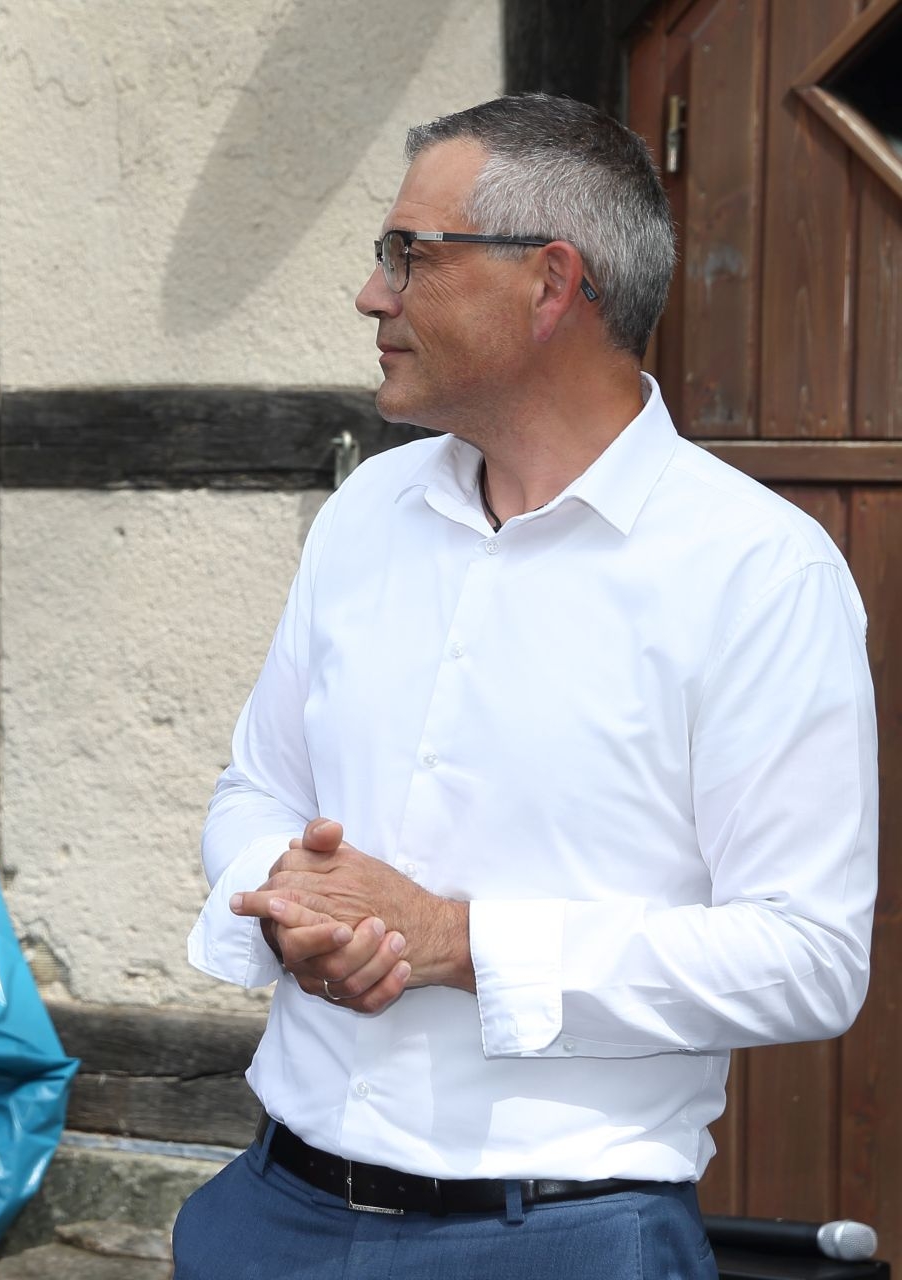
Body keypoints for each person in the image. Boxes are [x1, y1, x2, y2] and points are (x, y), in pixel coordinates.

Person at [172, 94, 877, 1279]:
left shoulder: (758, 572)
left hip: (562, 1239)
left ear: (551, 282)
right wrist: (298, 908)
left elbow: (806, 956)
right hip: (270, 1209)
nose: (373, 294)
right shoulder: (365, 514)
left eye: (410, 253)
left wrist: (457, 941)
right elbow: (256, 790)